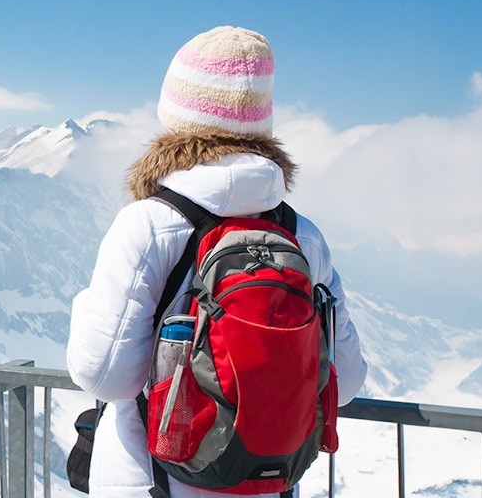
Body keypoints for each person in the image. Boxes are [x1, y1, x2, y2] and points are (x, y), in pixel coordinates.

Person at [66, 26, 368, 497]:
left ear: (175, 117)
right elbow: (344, 381)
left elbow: (106, 374)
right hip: (266, 481)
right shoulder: (302, 234)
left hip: (156, 479)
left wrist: (86, 305)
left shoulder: (148, 224)